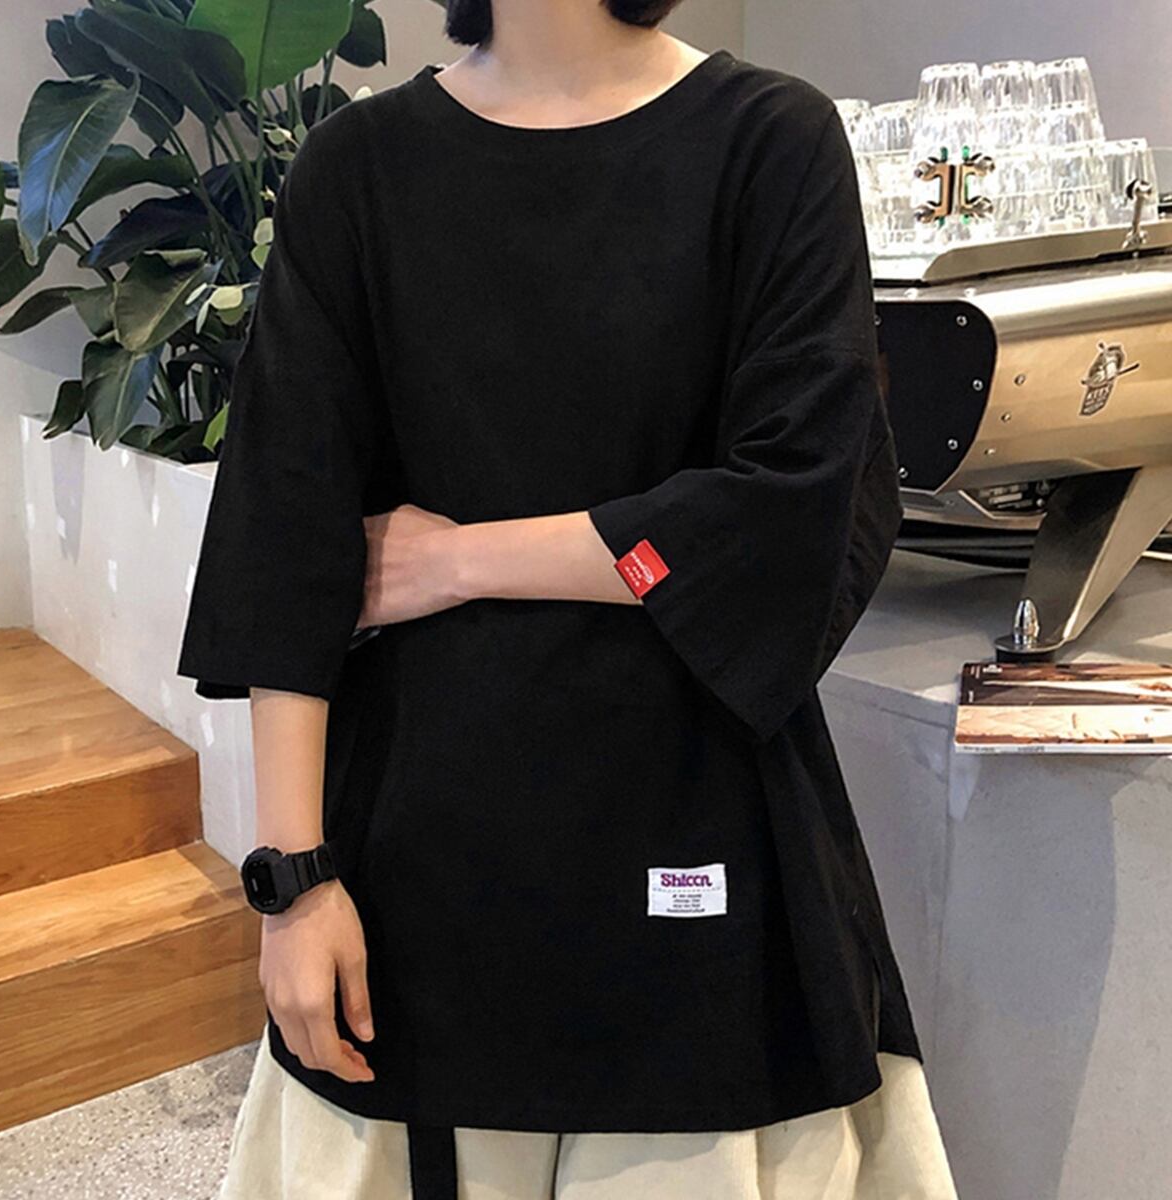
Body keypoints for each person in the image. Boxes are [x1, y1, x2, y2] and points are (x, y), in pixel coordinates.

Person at [177, 1, 962, 1197]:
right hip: (420, 845)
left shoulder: (770, 141)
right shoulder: (358, 167)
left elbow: (789, 513)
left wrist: (462, 559)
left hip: (694, 823)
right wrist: (292, 885)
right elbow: (286, 536)